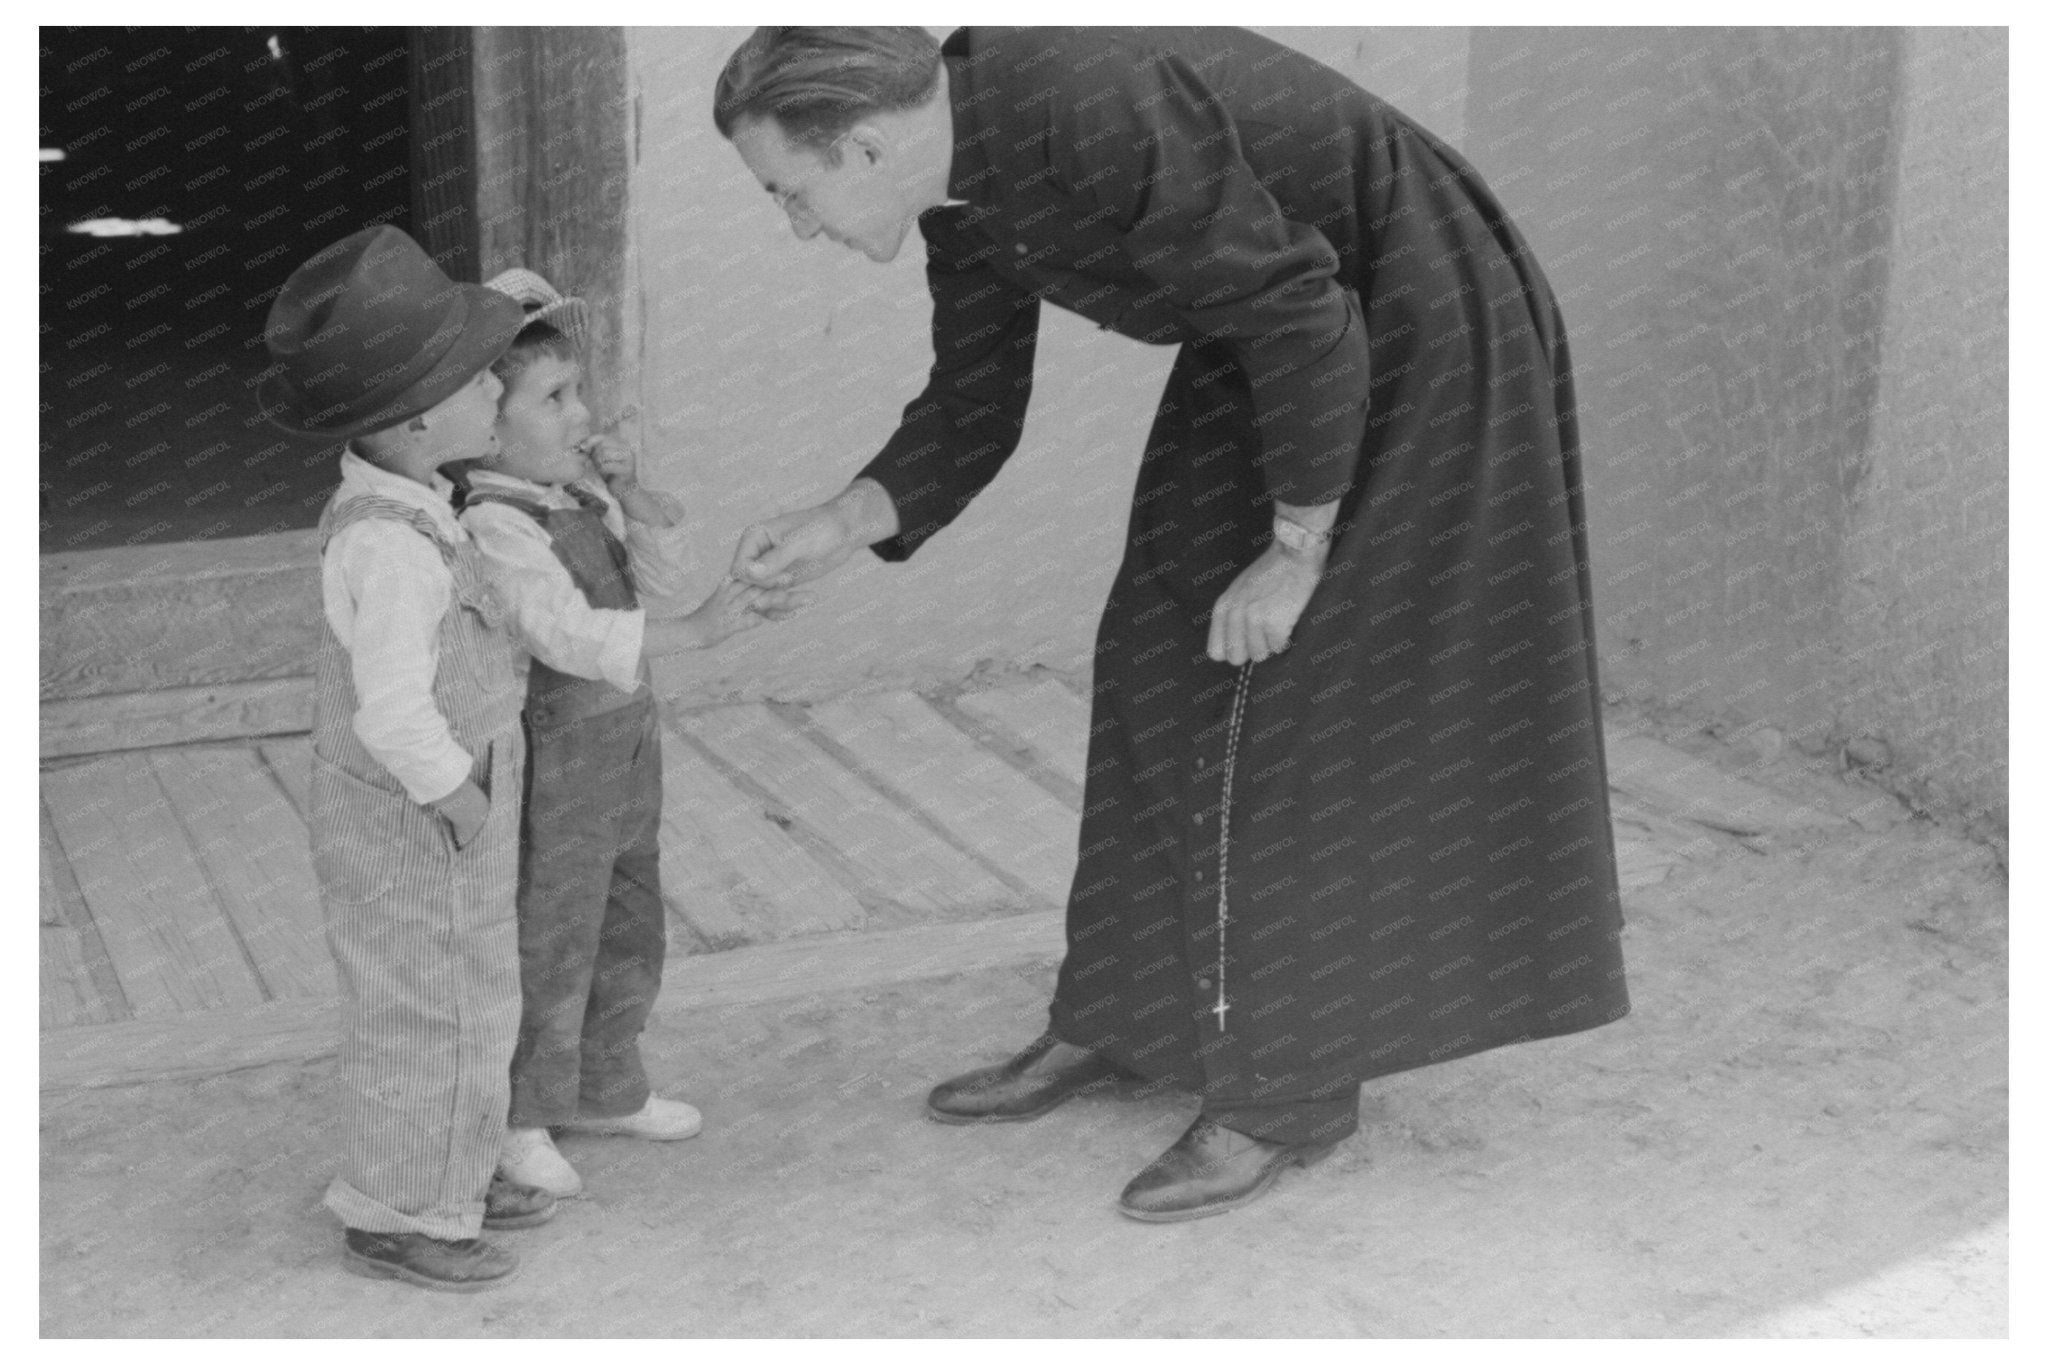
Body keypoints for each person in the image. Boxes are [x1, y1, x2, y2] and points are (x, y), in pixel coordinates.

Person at [714, 26, 1631, 1222]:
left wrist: (1297, 551)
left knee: (1303, 697)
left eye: (791, 192)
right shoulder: (957, 191)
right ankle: (1125, 1016)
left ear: (870, 142)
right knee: (1159, 648)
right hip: (1275, 334)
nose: (798, 225)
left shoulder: (1083, 97)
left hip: (1413, 317)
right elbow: (975, 402)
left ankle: (1283, 1092)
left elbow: (1302, 312)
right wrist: (839, 522)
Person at [456, 269, 801, 1199]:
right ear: (484, 424)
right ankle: (520, 1114)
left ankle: (606, 1081)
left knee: (630, 919)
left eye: (580, 393)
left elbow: (655, 572)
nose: (581, 415)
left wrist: (634, 495)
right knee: (551, 934)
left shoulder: (577, 500)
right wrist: (694, 635)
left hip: (627, 754)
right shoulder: (495, 523)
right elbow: (560, 631)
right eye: (554, 397)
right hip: (555, 766)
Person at [259, 226, 553, 1291]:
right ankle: (400, 1214)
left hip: (454, 796)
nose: (500, 391)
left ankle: (458, 1172)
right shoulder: (386, 544)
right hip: (415, 812)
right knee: (417, 1010)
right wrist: (461, 800)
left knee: (477, 992)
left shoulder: (419, 494)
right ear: (421, 417)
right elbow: (391, 711)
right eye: (485, 378)